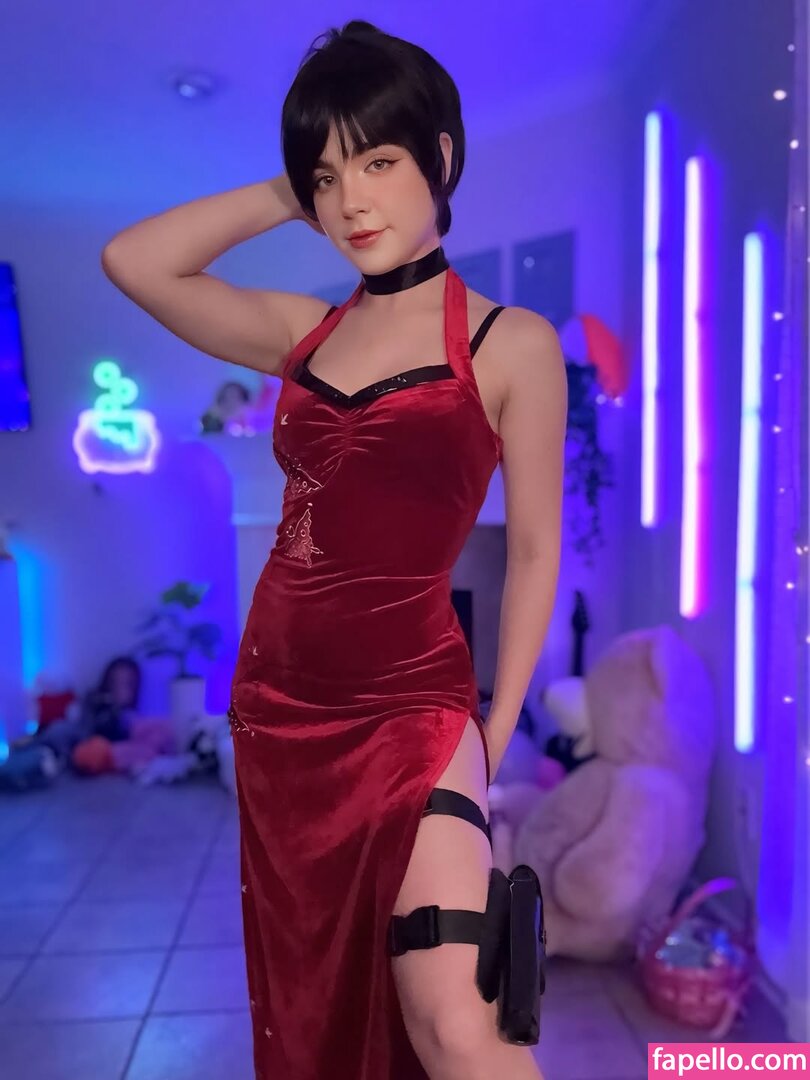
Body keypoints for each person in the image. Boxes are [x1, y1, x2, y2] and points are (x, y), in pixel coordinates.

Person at [101, 19, 566, 1080]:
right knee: (322, 997)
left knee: (456, 1019)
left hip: (415, 707)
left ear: (441, 157)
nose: (351, 201)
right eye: (327, 177)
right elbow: (133, 260)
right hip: (281, 712)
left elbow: (537, 551)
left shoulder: (512, 344)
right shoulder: (301, 332)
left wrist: (494, 728)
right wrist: (291, 181)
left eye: (379, 161)